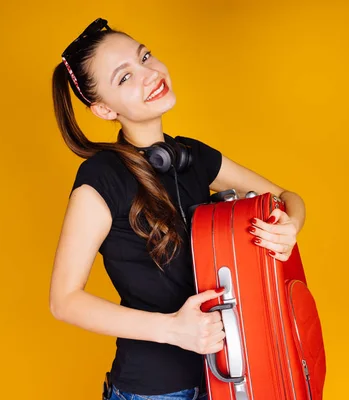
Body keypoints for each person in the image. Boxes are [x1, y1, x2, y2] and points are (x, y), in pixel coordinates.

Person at [49, 18, 306, 400]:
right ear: (103, 110)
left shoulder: (192, 156)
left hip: (231, 377)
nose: (150, 74)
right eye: (124, 77)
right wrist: (172, 329)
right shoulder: (101, 178)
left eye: (145, 56)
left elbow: (286, 197)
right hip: (153, 391)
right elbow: (64, 300)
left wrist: (291, 225)